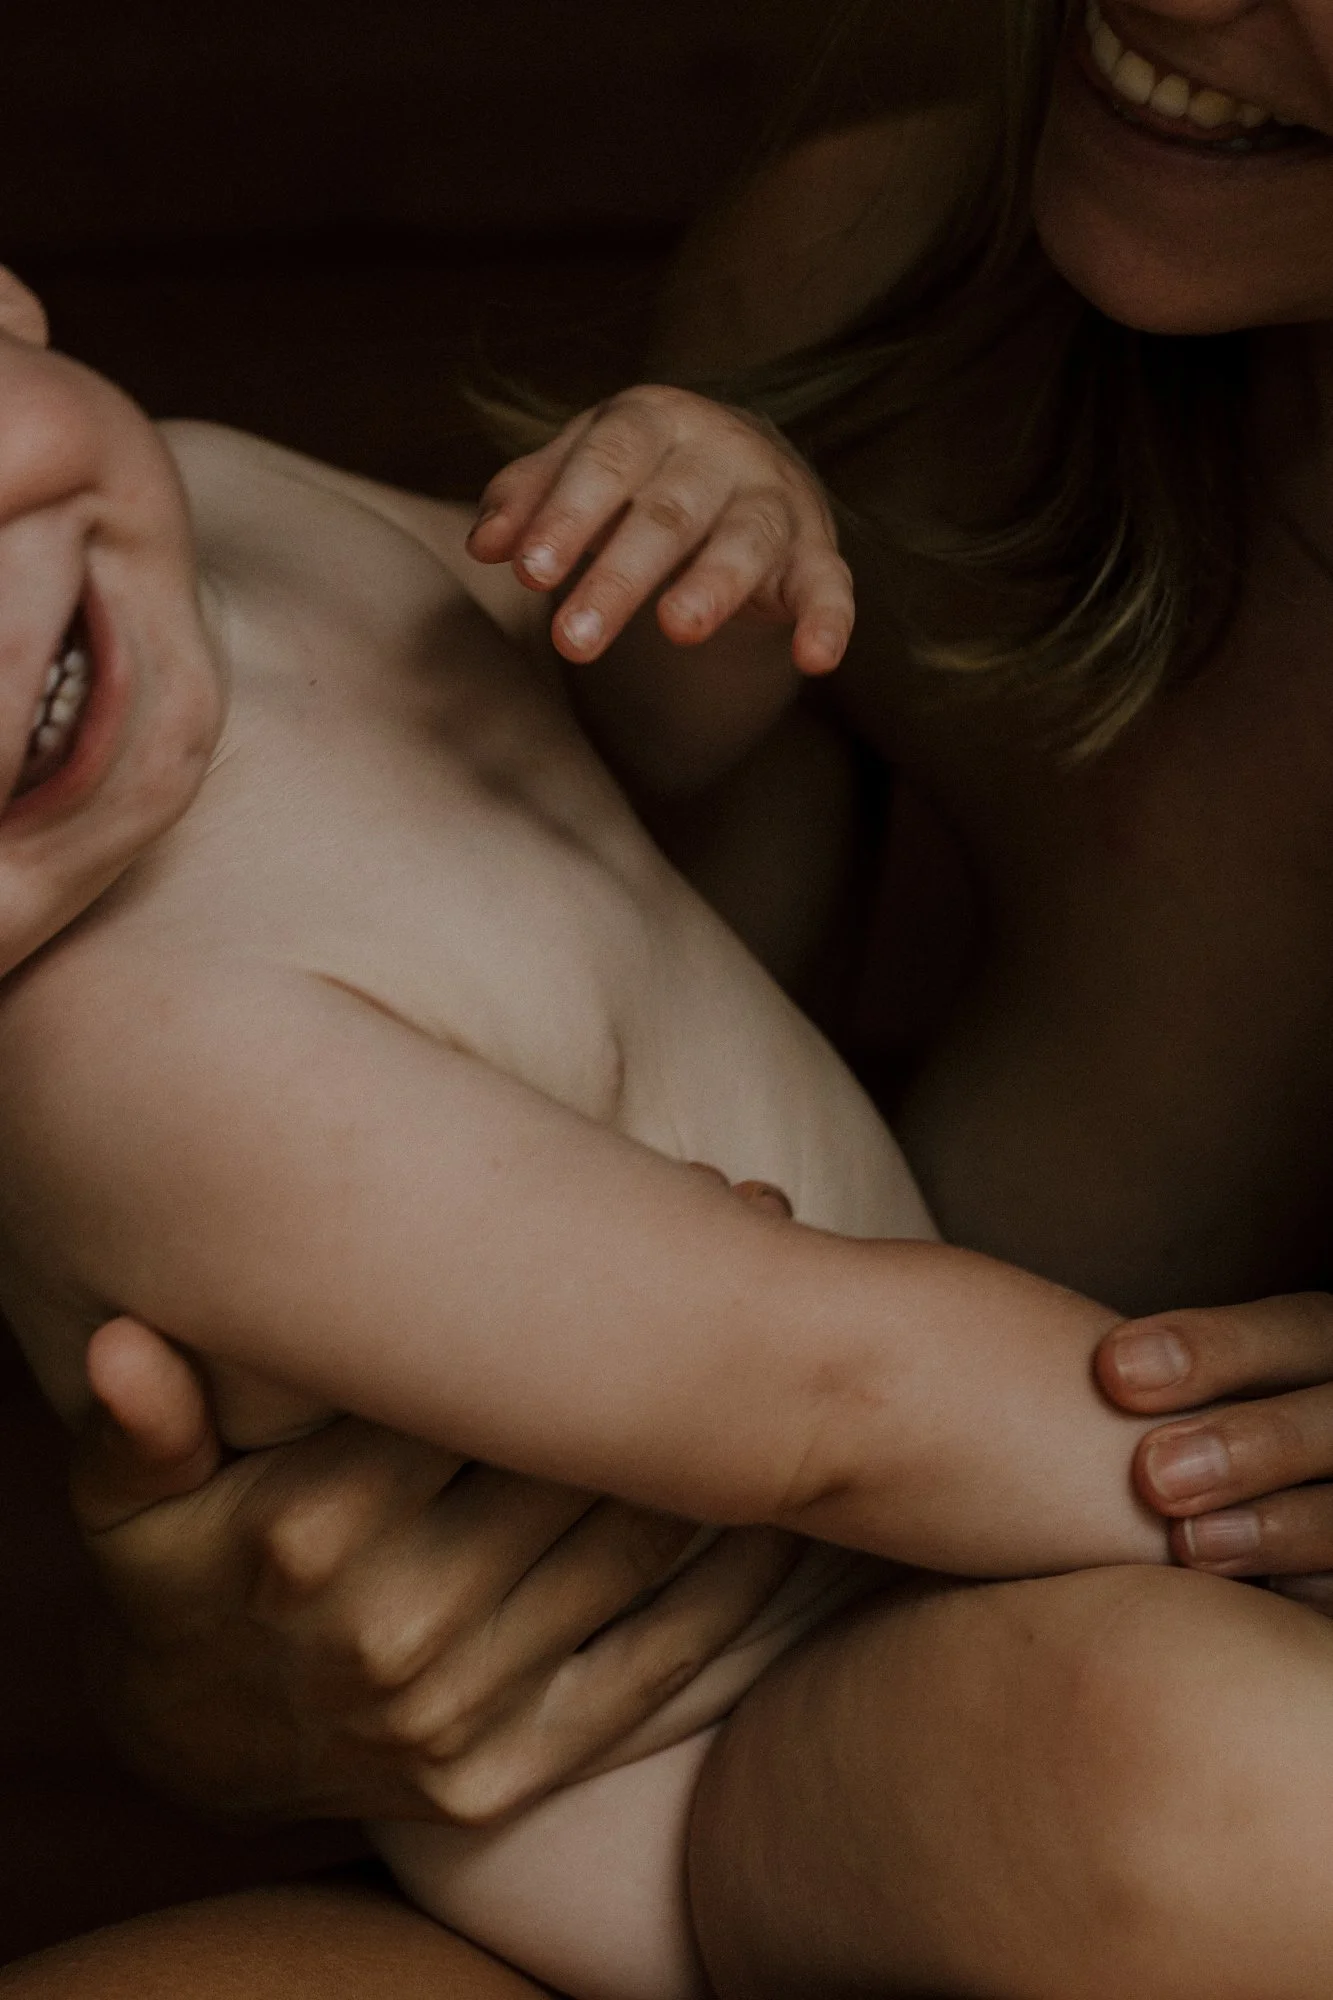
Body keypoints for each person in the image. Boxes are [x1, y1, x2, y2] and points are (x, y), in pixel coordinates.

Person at [14, 1, 1333, 1995]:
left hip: (952, 1551)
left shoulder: (209, 512)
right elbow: (824, 1395)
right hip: (719, 1763)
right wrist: (1276, 1536)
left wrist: (694, 556)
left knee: (1229, 1775)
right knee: (1217, 1759)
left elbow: (588, 751)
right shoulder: (129, 1052)